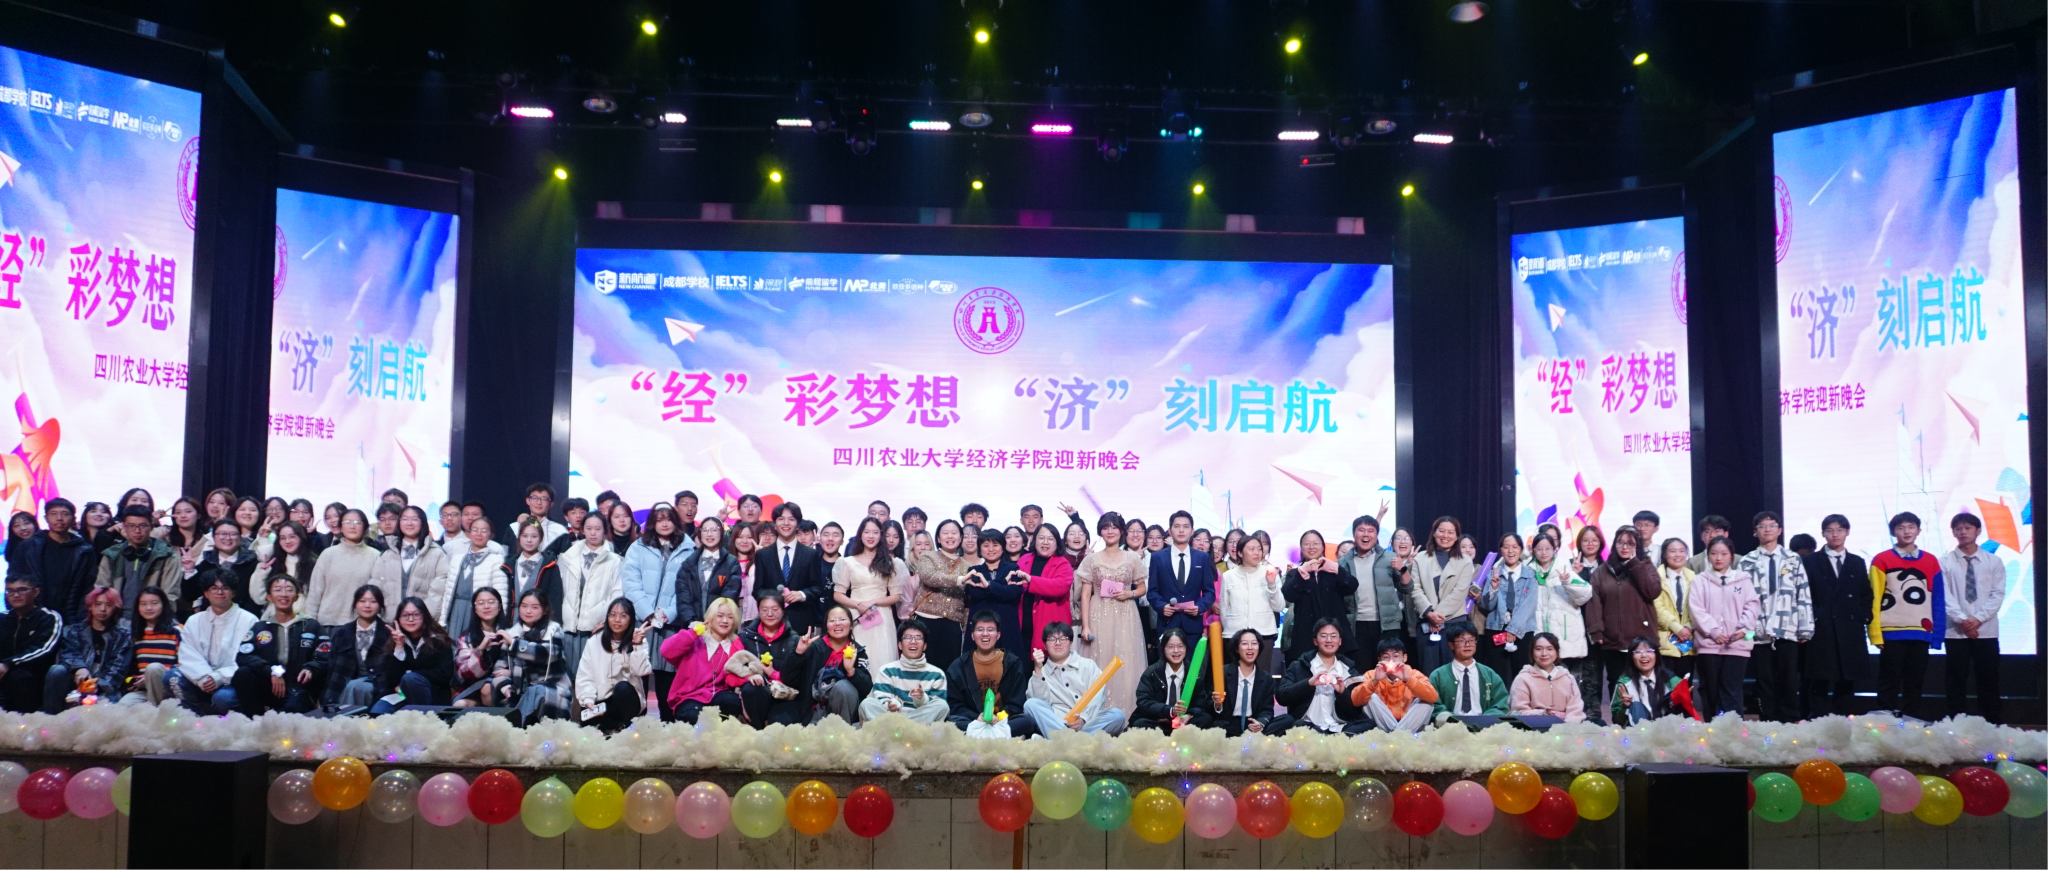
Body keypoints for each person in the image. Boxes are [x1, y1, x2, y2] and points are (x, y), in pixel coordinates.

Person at [1869, 513, 1945, 718]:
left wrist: (1937, 635)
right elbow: (1874, 599)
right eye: (1901, 528)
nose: (1906, 532)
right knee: (1889, 679)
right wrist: (1875, 634)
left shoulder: (1931, 561)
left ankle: (1912, 721)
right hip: (1891, 631)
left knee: (1915, 681)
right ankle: (1885, 722)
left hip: (1920, 632)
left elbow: (1937, 599)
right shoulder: (1882, 559)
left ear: (1918, 530)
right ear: (1893, 532)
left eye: (1911, 527)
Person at [621, 505, 695, 715]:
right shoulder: (638, 547)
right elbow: (630, 583)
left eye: (669, 519)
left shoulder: (688, 549)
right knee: (639, 673)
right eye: (659, 519)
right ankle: (639, 724)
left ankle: (668, 725)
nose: (664, 524)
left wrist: (668, 613)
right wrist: (647, 612)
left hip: (670, 624)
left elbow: (687, 588)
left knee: (667, 678)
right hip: (642, 622)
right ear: (652, 522)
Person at [1737, 511, 1811, 721]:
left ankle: (1790, 718)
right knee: (1764, 680)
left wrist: (1805, 628)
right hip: (1758, 630)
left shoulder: (1792, 559)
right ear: (1755, 532)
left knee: (1789, 678)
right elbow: (1741, 598)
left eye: (1772, 525)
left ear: (1780, 530)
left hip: (1788, 628)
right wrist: (1745, 629)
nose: (1767, 529)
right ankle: (1768, 719)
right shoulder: (1747, 561)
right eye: (1762, 526)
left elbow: (1803, 592)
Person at [1075, 513, 1147, 720]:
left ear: (1121, 531)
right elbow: (1085, 594)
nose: (1110, 531)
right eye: (1105, 527)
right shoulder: (1091, 559)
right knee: (1099, 660)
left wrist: (1128, 594)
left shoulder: (1132, 558)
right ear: (1100, 531)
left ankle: (1127, 715)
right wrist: (1086, 626)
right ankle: (1095, 717)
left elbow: (1142, 588)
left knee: (1126, 660)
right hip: (1098, 613)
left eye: (1114, 527)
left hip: (1126, 614)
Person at [1583, 526, 1661, 716]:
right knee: (1616, 683)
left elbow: (1652, 591)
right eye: (1621, 543)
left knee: (1643, 682)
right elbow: (1594, 602)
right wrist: (1596, 631)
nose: (1625, 547)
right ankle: (1619, 723)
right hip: (1613, 641)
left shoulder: (1645, 565)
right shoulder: (1602, 571)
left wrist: (1635, 564)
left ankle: (1648, 721)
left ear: (1638, 546)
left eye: (1630, 543)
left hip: (1641, 640)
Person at [1801, 514, 1872, 717]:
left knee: (1847, 680)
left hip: (1850, 629)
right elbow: (1803, 594)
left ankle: (1843, 724)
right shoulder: (1810, 561)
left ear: (1847, 532)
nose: (1835, 534)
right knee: (1819, 680)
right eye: (1830, 530)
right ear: (1823, 534)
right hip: (1821, 628)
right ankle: (1818, 724)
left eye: (1840, 530)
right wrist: (1814, 618)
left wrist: (1863, 616)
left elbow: (1865, 593)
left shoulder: (1857, 562)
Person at [229, 575, 326, 715]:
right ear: (269, 597)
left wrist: (311, 668)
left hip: (299, 686)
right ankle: (255, 720)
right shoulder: (260, 627)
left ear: (296, 597)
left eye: (289, 590)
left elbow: (325, 654)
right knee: (242, 674)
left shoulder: (311, 625)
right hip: (269, 685)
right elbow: (243, 655)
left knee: (293, 713)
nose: (283, 594)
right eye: (277, 589)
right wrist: (271, 671)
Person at [1689, 537, 1760, 719]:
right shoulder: (1700, 581)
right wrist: (1713, 631)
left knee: (1732, 690)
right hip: (1709, 645)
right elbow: (1696, 610)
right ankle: (1713, 729)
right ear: (1708, 556)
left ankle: (1732, 729)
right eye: (1713, 553)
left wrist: (1743, 630)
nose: (1718, 558)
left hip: (1737, 645)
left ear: (1731, 556)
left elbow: (1752, 606)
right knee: (1710, 690)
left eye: (1723, 553)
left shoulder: (1743, 579)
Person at [1942, 512, 2003, 723]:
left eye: (1968, 528)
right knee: (1955, 679)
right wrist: (1962, 620)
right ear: (1953, 532)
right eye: (1958, 529)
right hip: (1955, 632)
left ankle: (1992, 723)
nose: (1963, 532)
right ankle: (1956, 723)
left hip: (1986, 631)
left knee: (1988, 678)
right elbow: (1943, 595)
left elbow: (1997, 594)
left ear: (1978, 531)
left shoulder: (1993, 561)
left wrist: (1977, 619)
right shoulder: (1944, 562)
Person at [944, 610, 1040, 738]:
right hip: (974, 720)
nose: (985, 634)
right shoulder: (959, 666)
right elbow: (955, 704)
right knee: (951, 722)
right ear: (972, 635)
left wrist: (999, 717)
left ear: (998, 635)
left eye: (990, 629)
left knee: (1027, 721)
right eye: (980, 629)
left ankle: (981, 736)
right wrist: (977, 717)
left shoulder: (1011, 663)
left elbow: (1016, 703)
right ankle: (996, 736)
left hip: (1002, 720)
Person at [662, 597, 755, 724]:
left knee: (731, 702)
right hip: (689, 696)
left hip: (720, 694)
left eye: (730, 617)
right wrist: (693, 633)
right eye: (720, 616)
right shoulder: (695, 639)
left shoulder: (737, 645)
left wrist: (749, 676)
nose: (725, 621)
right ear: (710, 618)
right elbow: (666, 651)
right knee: (693, 715)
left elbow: (740, 672)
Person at [176, 572, 258, 714]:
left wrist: (219, 677)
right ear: (206, 593)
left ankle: (223, 720)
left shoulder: (249, 620)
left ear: (233, 593)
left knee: (223, 698)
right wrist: (203, 677)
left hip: (231, 682)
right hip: (200, 679)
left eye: (225, 588)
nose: (220, 592)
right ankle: (196, 717)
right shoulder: (194, 620)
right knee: (172, 678)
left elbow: (249, 660)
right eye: (214, 588)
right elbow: (187, 654)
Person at [556, 512, 624, 678]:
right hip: (569, 627)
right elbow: (559, 590)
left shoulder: (615, 560)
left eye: (598, 529)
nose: (593, 533)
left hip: (597, 628)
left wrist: (607, 621)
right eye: (589, 528)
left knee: (593, 678)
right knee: (568, 676)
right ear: (583, 530)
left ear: (605, 531)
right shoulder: (567, 557)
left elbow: (617, 594)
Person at [1025, 621, 1124, 734]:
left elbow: (1097, 698)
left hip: (1087, 724)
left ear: (1071, 643)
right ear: (1045, 646)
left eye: (1063, 639)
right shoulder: (1042, 672)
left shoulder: (1088, 665)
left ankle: (1064, 740)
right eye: (1052, 639)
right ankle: (1070, 738)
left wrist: (1083, 719)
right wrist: (1038, 669)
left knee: (1117, 715)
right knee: (1030, 704)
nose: (1058, 643)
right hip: (1058, 722)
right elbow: (1040, 705)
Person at [8, 497, 97, 622]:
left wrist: (82, 617)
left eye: (65, 514)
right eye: (53, 514)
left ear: (73, 518)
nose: (59, 518)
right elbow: (13, 580)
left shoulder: (85, 551)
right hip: (33, 616)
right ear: (46, 518)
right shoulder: (29, 547)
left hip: (72, 617)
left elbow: (89, 586)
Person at [44, 586, 132, 711]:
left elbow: (118, 668)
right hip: (75, 681)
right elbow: (68, 653)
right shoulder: (74, 630)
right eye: (98, 604)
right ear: (90, 606)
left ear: (115, 608)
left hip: (104, 687)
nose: (103, 609)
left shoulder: (123, 636)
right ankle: (52, 718)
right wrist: (79, 667)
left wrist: (97, 686)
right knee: (56, 670)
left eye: (108, 605)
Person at [1408, 517, 1476, 674]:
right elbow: (1415, 588)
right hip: (1426, 624)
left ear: (1457, 536)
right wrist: (1429, 613)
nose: (1446, 535)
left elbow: (1459, 592)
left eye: (1451, 532)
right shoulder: (1420, 558)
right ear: (1434, 533)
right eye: (1442, 531)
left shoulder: (1465, 561)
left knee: (1455, 672)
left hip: (1455, 624)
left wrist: (1437, 616)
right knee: (1429, 673)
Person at [495, 589, 574, 724]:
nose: (528, 611)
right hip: (518, 694)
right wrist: (507, 690)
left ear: (545, 610)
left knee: (537, 690)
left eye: (535, 607)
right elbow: (499, 670)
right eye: (524, 606)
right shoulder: (512, 633)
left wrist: (514, 644)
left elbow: (545, 655)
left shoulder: (553, 631)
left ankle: (517, 726)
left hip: (552, 692)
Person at [574, 598, 652, 732]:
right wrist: (588, 699)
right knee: (589, 725)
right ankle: (612, 726)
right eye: (613, 615)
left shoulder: (637, 639)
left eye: (623, 616)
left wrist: (637, 644)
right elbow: (585, 675)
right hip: (602, 703)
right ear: (607, 617)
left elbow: (641, 671)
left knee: (622, 688)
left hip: (627, 700)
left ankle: (627, 728)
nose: (617, 620)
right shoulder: (594, 641)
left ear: (631, 619)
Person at [834, 517, 903, 664]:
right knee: (857, 658)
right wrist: (859, 605)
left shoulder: (891, 563)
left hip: (881, 614)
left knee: (881, 655)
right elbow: (838, 594)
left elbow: (896, 596)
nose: (871, 536)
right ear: (860, 534)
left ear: (881, 535)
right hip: (856, 614)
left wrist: (873, 602)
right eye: (867, 532)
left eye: (875, 532)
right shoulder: (848, 562)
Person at [370, 597, 456, 713]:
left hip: (432, 692)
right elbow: (390, 679)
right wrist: (399, 647)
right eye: (405, 615)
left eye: (416, 615)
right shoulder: (393, 639)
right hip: (399, 694)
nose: (410, 619)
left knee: (410, 679)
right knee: (378, 711)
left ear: (424, 616)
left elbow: (445, 673)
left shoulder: (439, 640)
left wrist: (411, 677)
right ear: (398, 619)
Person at [1283, 529, 1357, 662]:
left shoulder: (1333, 570)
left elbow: (1352, 586)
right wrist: (1301, 573)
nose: (1311, 547)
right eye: (1307, 544)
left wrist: (1337, 570)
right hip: (1305, 634)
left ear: (1323, 547)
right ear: (1301, 548)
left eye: (1316, 543)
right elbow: (1289, 595)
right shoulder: (1294, 573)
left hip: (1334, 633)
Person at [96, 505, 181, 620]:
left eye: (143, 526)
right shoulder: (112, 555)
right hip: (116, 619)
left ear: (151, 526)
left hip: (153, 620)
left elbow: (170, 596)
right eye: (131, 526)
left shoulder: (167, 555)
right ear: (124, 527)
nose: (137, 531)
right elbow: (102, 591)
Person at [1278, 619, 1361, 734]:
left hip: (1337, 726)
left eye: (1333, 636)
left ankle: (1329, 737)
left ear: (1340, 641)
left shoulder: (1349, 670)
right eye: (1323, 636)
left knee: (1368, 724)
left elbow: (1353, 713)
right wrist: (1308, 683)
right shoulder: (1299, 666)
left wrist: (1342, 693)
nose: (1329, 640)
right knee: (1297, 725)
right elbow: (1281, 697)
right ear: (1315, 641)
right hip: (1307, 725)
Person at [754, 502, 827, 633]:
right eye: (781, 519)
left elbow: (817, 588)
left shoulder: (810, 554)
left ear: (798, 524)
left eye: (791, 519)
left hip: (801, 621)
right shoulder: (762, 555)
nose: (786, 523)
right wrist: (774, 599)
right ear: (775, 524)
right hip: (770, 622)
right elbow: (758, 590)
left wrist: (801, 595)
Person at [908, 519, 971, 670]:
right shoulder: (927, 556)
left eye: (954, 533)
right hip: (925, 620)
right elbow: (929, 577)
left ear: (961, 538)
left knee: (950, 669)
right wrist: (959, 580)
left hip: (953, 624)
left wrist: (965, 626)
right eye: (945, 533)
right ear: (938, 538)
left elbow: (967, 600)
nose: (950, 536)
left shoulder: (966, 566)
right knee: (921, 668)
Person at [1340, 515, 1404, 662]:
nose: (1366, 534)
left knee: (1388, 669)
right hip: (1356, 625)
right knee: (1361, 670)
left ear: (1376, 534)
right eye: (1361, 530)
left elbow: (1406, 588)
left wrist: (1403, 569)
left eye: (1371, 530)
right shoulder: (1342, 563)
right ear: (1354, 534)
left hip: (1386, 625)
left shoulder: (1390, 557)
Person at [371, 506, 452, 620]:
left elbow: (438, 592)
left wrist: (424, 618)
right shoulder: (387, 554)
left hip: (423, 620)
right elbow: (376, 586)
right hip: (390, 620)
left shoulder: (437, 553)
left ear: (423, 523)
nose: (409, 523)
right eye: (405, 519)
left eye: (414, 519)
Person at [861, 619, 949, 724]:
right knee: (867, 704)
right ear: (899, 645)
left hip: (919, 720)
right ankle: (902, 729)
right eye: (908, 637)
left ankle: (901, 729)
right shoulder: (887, 670)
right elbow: (881, 699)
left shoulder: (937, 674)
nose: (913, 641)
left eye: (918, 638)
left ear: (925, 646)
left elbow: (937, 703)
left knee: (942, 706)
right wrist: (892, 704)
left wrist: (922, 699)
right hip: (892, 718)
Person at [739, 592, 808, 724]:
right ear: (758, 611)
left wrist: (773, 674)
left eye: (775, 609)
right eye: (764, 610)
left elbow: (797, 679)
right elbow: (735, 668)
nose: (770, 614)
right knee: (752, 689)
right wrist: (748, 678)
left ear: (783, 611)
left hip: (785, 696)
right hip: (757, 695)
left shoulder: (795, 640)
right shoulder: (746, 637)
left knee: (782, 724)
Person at [317, 585, 390, 708]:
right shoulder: (342, 632)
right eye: (362, 601)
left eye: (373, 601)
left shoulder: (389, 632)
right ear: (355, 604)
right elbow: (331, 667)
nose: (367, 605)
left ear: (380, 606)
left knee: (358, 688)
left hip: (378, 687)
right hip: (341, 687)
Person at [305, 509, 381, 626]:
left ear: (365, 527)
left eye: (357, 522)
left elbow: (379, 594)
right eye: (347, 522)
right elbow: (315, 592)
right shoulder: (328, 554)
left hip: (361, 624)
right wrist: (310, 623)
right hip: (327, 623)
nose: (352, 526)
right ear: (340, 527)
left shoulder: (375, 556)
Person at [1147, 511, 1215, 641]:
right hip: (1167, 624)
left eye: (1186, 526)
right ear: (1169, 531)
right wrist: (1162, 606)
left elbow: (1209, 592)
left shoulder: (1202, 558)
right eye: (1177, 526)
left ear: (1192, 531)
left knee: (1192, 656)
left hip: (1193, 625)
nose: (1181, 530)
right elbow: (1152, 591)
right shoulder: (1157, 557)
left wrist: (1199, 607)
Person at [1219, 531, 1284, 666]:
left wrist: (1271, 585)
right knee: (1234, 675)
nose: (1257, 553)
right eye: (1251, 549)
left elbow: (1279, 607)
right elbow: (1224, 609)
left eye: (1259, 549)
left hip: (1264, 634)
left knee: (1262, 675)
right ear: (1240, 553)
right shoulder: (1229, 576)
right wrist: (1230, 629)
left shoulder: (1269, 573)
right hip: (1234, 636)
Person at [1348, 635, 1436, 734]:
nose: (1391, 661)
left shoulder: (1413, 674)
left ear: (1404, 658)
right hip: (1383, 726)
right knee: (1370, 697)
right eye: (1386, 657)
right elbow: (1355, 701)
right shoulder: (1372, 675)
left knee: (1426, 702)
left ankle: (1396, 735)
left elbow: (1433, 697)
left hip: (1410, 723)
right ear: (1379, 660)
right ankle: (1399, 735)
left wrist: (1408, 679)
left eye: (1396, 656)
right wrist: (1375, 681)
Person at [1127, 629, 1210, 732]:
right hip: (1158, 721)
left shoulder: (1193, 673)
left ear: (1186, 648)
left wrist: (1188, 715)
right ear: (1163, 649)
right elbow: (1143, 701)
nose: (1176, 651)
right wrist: (1170, 710)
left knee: (1205, 719)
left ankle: (1177, 736)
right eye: (1171, 647)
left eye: (1180, 646)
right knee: (1140, 724)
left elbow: (1200, 702)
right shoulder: (1152, 672)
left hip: (1183, 723)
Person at [438, 517, 507, 642]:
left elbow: (501, 593)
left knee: (475, 645)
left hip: (478, 611)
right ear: (469, 533)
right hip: (456, 610)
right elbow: (447, 593)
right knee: (454, 645)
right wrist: (443, 619)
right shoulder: (457, 559)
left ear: (491, 535)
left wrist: (501, 623)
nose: (479, 534)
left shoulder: (496, 560)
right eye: (475, 530)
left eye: (484, 531)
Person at [964, 530, 1029, 661]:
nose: (991, 549)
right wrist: (1003, 582)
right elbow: (976, 593)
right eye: (986, 545)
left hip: (1007, 626)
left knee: (1010, 666)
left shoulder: (1013, 569)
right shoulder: (974, 570)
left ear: (1003, 547)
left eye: (995, 545)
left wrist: (988, 586)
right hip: (980, 626)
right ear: (980, 549)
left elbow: (1013, 593)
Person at [1214, 628, 1290, 736]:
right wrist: (1217, 704)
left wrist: (1260, 723)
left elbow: (1267, 710)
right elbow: (1208, 705)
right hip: (1229, 724)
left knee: (1287, 720)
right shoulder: (1224, 672)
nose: (1250, 647)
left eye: (1254, 643)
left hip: (1253, 724)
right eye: (1244, 643)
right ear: (1236, 648)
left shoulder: (1266, 677)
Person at [0, 578, 60, 713]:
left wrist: (8, 663)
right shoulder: (2, 618)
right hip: (3, 672)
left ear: (36, 592)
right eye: (10, 591)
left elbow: (43, 649)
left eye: (21, 590)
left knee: (19, 677)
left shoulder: (49, 617)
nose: (16, 595)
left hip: (33, 677)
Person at [1479, 533, 1536, 674]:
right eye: (1506, 547)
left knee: (1522, 674)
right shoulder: (1492, 574)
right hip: (1496, 628)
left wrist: (1513, 629)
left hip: (1523, 631)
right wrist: (1494, 588)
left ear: (1521, 550)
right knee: (1497, 674)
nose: (1510, 551)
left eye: (1515, 547)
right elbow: (1487, 606)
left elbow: (1529, 606)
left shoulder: (1531, 575)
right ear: (1501, 550)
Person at [673, 518, 741, 632]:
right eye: (705, 530)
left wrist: (715, 621)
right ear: (700, 533)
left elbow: (730, 595)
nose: (709, 534)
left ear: (721, 532)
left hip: (721, 627)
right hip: (693, 628)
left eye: (714, 530)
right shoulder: (688, 563)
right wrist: (691, 622)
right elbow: (683, 597)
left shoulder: (731, 563)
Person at [1429, 626, 1509, 722]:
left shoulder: (1489, 674)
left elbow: (1500, 704)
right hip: (1449, 726)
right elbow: (1434, 705)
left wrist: (1484, 721)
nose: (1467, 645)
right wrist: (1452, 720)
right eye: (1461, 641)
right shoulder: (1438, 675)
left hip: (1484, 725)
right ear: (1451, 645)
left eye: (1471, 640)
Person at [1016, 524, 1074, 655]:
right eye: (1041, 538)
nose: (1045, 542)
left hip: (1051, 631)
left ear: (1057, 543)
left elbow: (1059, 587)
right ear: (1034, 540)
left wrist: (1031, 580)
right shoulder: (1024, 560)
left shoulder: (1063, 563)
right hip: (1023, 627)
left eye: (1050, 539)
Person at [1611, 636, 1691, 726]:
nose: (1644, 655)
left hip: (1668, 729)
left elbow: (1687, 714)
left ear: (1656, 655)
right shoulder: (1624, 684)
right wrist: (1624, 706)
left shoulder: (1671, 680)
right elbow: (1617, 721)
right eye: (1638, 652)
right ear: (1631, 657)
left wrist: (1683, 699)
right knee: (1636, 706)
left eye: (1649, 651)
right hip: (1639, 731)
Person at [452, 587, 511, 706]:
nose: (486, 606)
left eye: (491, 602)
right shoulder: (466, 637)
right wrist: (480, 649)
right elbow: (464, 673)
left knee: (487, 688)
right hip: (473, 686)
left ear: (499, 606)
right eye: (480, 603)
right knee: (459, 705)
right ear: (475, 609)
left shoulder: (510, 633)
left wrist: (511, 672)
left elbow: (524, 666)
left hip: (504, 685)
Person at [122, 587, 180, 705]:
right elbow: (131, 667)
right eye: (143, 604)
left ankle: (154, 712)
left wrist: (151, 677)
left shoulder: (176, 631)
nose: (148, 608)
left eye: (154, 603)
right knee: (123, 705)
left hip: (169, 686)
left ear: (163, 605)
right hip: (144, 689)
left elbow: (185, 663)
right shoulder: (135, 633)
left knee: (153, 668)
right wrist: (135, 680)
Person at [1508, 632, 1583, 722]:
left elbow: (1575, 710)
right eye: (1538, 649)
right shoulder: (1523, 679)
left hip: (1566, 726)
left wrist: (1567, 727)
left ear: (1557, 652)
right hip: (1534, 726)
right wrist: (1542, 714)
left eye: (1549, 649)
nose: (1544, 653)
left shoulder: (1568, 678)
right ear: (1532, 652)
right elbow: (1518, 712)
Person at [1650, 538, 1696, 678]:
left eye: (1682, 551)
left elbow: (1699, 606)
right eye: (1673, 551)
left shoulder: (1694, 577)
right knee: (1667, 686)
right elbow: (1656, 608)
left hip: (1688, 641)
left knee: (1686, 687)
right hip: (1665, 640)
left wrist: (1688, 627)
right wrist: (1677, 628)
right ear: (1664, 554)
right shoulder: (1655, 578)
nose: (1678, 555)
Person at [253, 522, 319, 616]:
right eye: (283, 538)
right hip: (274, 619)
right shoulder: (273, 563)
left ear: (302, 538)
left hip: (304, 620)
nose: (287, 541)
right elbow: (259, 599)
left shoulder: (315, 564)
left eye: (292, 537)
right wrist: (261, 573)